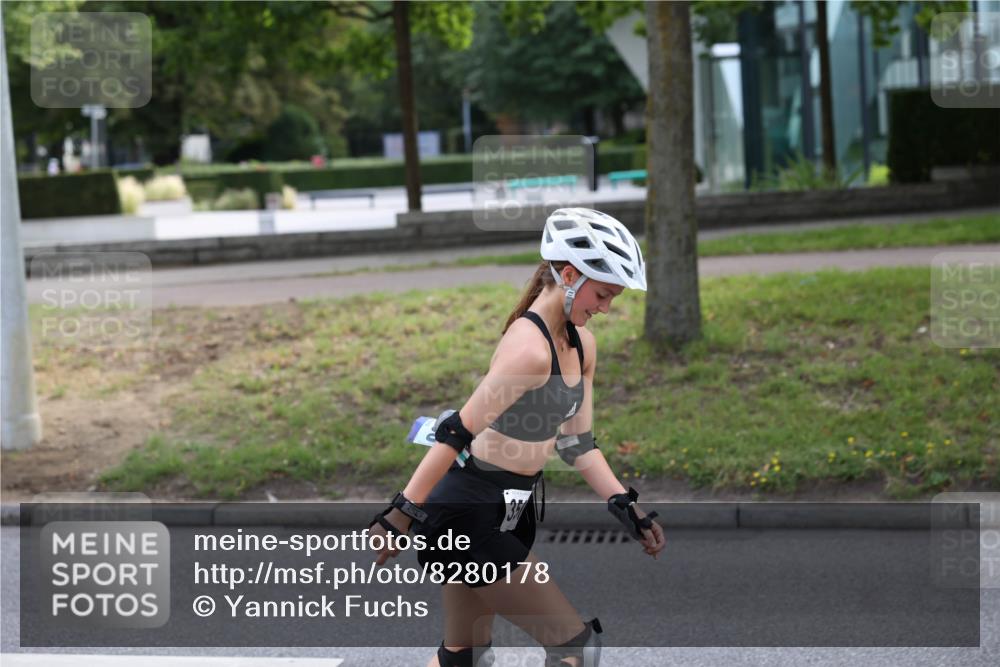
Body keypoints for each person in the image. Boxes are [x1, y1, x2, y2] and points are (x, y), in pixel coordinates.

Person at [369, 208, 667, 667]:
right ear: (569, 274)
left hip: (510, 509)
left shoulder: (582, 344)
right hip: (465, 516)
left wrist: (627, 508)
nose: (606, 308)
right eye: (603, 294)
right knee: (577, 651)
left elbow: (577, 444)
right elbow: (456, 433)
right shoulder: (529, 350)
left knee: (463, 659)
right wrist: (399, 515)